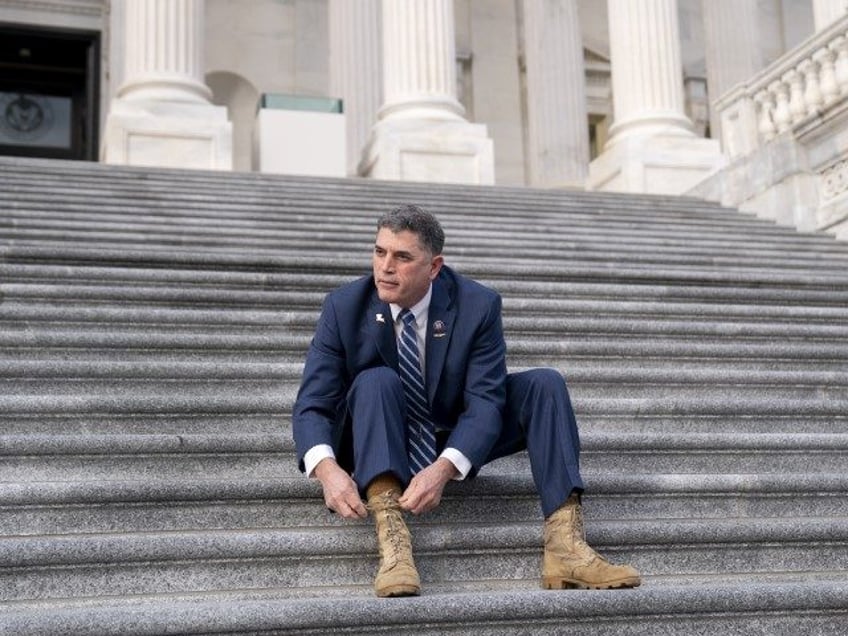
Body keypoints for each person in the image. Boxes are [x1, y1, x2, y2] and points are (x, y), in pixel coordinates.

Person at [292, 204, 640, 597]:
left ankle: (566, 547)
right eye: (379, 251)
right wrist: (327, 470)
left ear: (434, 267)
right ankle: (394, 546)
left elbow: (486, 401)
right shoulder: (344, 306)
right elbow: (312, 404)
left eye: (402, 257)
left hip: (446, 434)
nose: (385, 267)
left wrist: (443, 469)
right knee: (376, 380)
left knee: (545, 384)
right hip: (374, 434)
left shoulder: (477, 305)